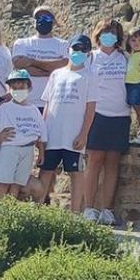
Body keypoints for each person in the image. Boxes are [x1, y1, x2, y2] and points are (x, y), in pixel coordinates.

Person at [40, 35, 96, 212]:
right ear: (69, 49)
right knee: (47, 170)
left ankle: (75, 211)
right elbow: (47, 103)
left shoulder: (90, 76)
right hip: (52, 132)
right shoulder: (56, 74)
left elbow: (90, 108)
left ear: (88, 54)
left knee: (75, 172)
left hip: (73, 134)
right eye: (75, 49)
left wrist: (83, 134)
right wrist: (42, 132)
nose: (78, 53)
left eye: (82, 50)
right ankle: (39, 205)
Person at [83, 18, 130, 224]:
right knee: (94, 162)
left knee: (112, 163)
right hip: (97, 114)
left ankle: (107, 209)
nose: (108, 36)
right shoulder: (90, 58)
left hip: (120, 114)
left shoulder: (126, 58)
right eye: (105, 32)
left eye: (112, 32)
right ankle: (89, 208)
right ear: (98, 34)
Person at [0, 70, 47, 199]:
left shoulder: (34, 110)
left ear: (29, 87)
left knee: (17, 184)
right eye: (14, 88)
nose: (18, 90)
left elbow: (41, 133)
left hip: (28, 150)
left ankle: (11, 208)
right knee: (3, 182)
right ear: (9, 89)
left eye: (21, 87)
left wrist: (41, 152)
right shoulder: (5, 108)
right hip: (10, 148)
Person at [10, 5, 68, 111]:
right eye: (39, 18)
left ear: (53, 22)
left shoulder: (63, 44)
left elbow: (64, 66)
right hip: (26, 101)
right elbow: (19, 65)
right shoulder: (22, 43)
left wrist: (31, 61)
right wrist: (50, 71)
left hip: (53, 103)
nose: (43, 21)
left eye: (47, 18)